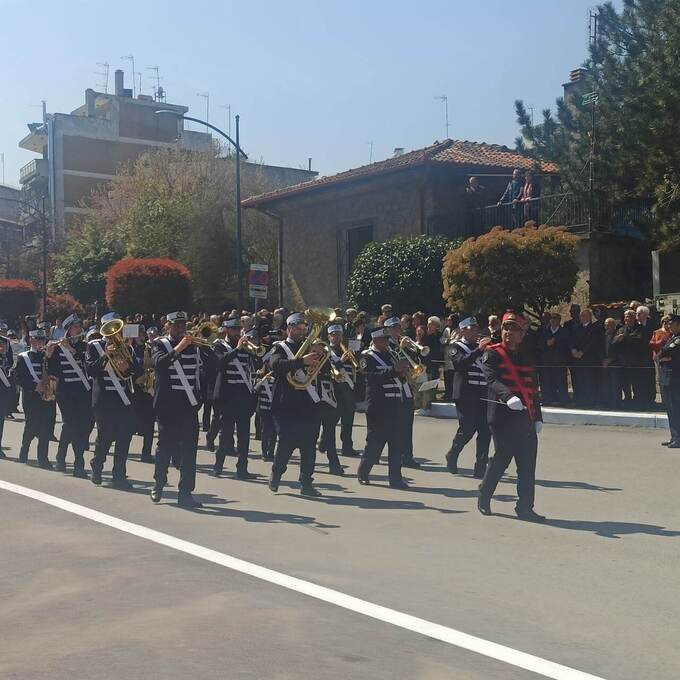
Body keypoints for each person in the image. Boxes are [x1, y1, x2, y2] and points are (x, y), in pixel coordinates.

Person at [477, 312, 544, 521]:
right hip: (503, 417)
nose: (508, 333)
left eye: (514, 330)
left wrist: (538, 416)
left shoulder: (527, 356)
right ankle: (484, 495)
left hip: (526, 418)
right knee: (501, 459)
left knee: (527, 465)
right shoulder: (493, 353)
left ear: (522, 334)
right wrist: (508, 397)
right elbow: (492, 379)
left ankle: (525, 507)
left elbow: (533, 389)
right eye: (506, 328)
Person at [151, 311, 214, 508]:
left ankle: (185, 493)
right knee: (165, 447)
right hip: (167, 407)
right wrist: (180, 347)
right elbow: (160, 364)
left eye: (183, 325)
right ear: (168, 326)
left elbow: (215, 365)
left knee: (189, 451)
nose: (180, 329)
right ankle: (159, 484)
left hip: (189, 406)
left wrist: (204, 349)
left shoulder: (195, 347)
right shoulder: (160, 344)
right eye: (176, 325)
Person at [268, 312, 324, 497]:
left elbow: (322, 371)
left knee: (309, 445)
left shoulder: (310, 347)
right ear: (289, 329)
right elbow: (275, 366)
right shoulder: (280, 347)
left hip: (308, 402)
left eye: (304, 329)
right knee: (286, 442)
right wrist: (302, 361)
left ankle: (306, 483)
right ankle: (277, 473)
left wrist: (321, 355)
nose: (302, 332)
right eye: (298, 329)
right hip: (286, 404)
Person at [87, 312, 143, 488]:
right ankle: (97, 466)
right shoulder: (94, 346)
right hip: (104, 400)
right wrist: (105, 356)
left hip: (124, 399)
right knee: (105, 436)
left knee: (124, 438)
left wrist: (127, 367)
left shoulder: (128, 348)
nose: (114, 333)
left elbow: (136, 372)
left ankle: (119, 475)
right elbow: (91, 370)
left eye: (116, 327)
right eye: (110, 328)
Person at [357, 327, 411, 488]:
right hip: (378, 406)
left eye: (387, 340)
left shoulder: (391, 355)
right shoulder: (367, 357)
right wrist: (394, 371)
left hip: (395, 404)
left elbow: (399, 379)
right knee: (375, 442)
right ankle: (364, 471)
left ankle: (395, 478)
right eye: (383, 340)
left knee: (396, 444)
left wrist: (402, 374)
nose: (387, 343)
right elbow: (371, 378)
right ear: (374, 340)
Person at [444, 317, 492, 478]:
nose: (475, 331)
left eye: (476, 328)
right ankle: (453, 454)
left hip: (483, 394)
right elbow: (460, 363)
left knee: (485, 431)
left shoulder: (484, 348)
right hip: (466, 395)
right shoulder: (455, 347)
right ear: (463, 330)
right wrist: (479, 350)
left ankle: (480, 466)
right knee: (467, 429)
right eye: (471, 328)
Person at [47, 313, 93, 478]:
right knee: (72, 424)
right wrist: (49, 354)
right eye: (74, 327)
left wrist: (72, 350)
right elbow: (52, 371)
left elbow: (87, 363)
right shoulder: (58, 348)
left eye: (79, 327)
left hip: (82, 391)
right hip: (65, 393)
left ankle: (61, 456)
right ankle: (78, 464)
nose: (78, 329)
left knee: (77, 426)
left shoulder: (83, 346)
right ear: (67, 330)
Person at [212, 319, 257, 479]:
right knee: (226, 435)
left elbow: (252, 366)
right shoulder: (219, 346)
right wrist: (237, 349)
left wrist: (253, 350)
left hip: (243, 396)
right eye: (234, 330)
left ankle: (242, 469)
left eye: (239, 329)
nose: (237, 332)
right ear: (226, 331)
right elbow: (219, 363)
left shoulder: (245, 348)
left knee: (244, 435)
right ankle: (218, 465)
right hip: (227, 397)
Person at [14, 329, 54, 469]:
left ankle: (43, 458)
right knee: (31, 425)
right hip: (31, 397)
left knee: (46, 428)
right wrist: (33, 386)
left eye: (42, 340)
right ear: (31, 340)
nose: (40, 343)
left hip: (47, 397)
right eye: (37, 340)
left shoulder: (48, 356)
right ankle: (24, 449)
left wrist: (49, 357)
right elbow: (17, 377)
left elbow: (55, 372)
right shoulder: (24, 357)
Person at [385, 316, 421, 468]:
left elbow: (415, 362)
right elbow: (392, 362)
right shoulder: (385, 345)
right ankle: (396, 455)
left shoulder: (404, 343)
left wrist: (409, 348)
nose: (396, 331)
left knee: (407, 423)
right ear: (387, 330)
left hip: (406, 388)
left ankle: (408, 456)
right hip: (393, 389)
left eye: (398, 328)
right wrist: (401, 347)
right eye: (393, 329)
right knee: (396, 426)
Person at [324, 323, 360, 460]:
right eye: (334, 335)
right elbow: (328, 368)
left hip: (348, 388)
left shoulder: (346, 349)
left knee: (348, 419)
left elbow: (355, 368)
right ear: (329, 336)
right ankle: (326, 442)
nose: (337, 337)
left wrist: (354, 358)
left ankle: (347, 446)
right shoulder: (327, 351)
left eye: (339, 335)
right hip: (335, 389)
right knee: (332, 420)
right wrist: (341, 360)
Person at [132, 326, 156, 463]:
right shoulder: (129, 348)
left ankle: (146, 453)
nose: (141, 337)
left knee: (150, 423)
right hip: (134, 390)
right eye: (138, 334)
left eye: (142, 334)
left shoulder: (150, 347)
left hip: (148, 390)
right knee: (130, 423)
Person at [656, 314, 680, 448]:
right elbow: (661, 353)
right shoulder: (672, 338)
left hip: (675, 378)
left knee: (676, 409)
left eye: (672, 324)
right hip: (667, 378)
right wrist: (663, 356)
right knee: (670, 410)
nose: (669, 326)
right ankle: (674, 436)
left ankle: (678, 438)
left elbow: (667, 351)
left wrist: (664, 356)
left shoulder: (678, 339)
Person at [614, 309, 645, 409]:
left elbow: (639, 339)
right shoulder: (621, 329)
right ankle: (627, 401)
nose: (627, 319)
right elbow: (614, 341)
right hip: (623, 362)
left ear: (634, 318)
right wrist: (617, 340)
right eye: (626, 317)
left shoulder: (640, 328)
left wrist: (625, 338)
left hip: (636, 362)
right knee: (625, 384)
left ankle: (638, 403)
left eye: (629, 317)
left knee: (637, 384)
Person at [570, 309, 601, 408]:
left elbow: (593, 342)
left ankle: (590, 401)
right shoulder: (576, 328)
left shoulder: (594, 328)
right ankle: (580, 401)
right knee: (579, 381)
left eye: (584, 315)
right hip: (578, 360)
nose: (581, 317)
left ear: (589, 317)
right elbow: (571, 340)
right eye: (581, 316)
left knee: (589, 381)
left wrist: (583, 352)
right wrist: (573, 350)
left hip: (589, 359)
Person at [537, 313, 569, 405]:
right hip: (547, 361)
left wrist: (555, 342)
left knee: (561, 381)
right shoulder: (545, 331)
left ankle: (563, 400)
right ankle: (548, 400)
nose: (553, 321)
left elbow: (566, 344)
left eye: (555, 319)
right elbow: (539, 344)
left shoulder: (564, 331)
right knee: (547, 381)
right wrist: (547, 344)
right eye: (551, 319)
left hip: (560, 361)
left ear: (559, 320)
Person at [599, 317, 622, 409]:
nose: (607, 326)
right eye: (605, 325)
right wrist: (603, 360)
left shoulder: (617, 335)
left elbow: (619, 350)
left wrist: (611, 359)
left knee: (615, 385)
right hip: (604, 364)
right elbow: (599, 349)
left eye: (609, 325)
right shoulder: (601, 336)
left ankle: (616, 404)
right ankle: (606, 402)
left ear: (614, 325)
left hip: (615, 363)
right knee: (605, 384)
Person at [0, 333, 14, 454]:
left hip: (3, 393)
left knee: (0, 421)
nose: (2, 347)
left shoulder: (6, 359)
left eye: (3, 345)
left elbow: (10, 366)